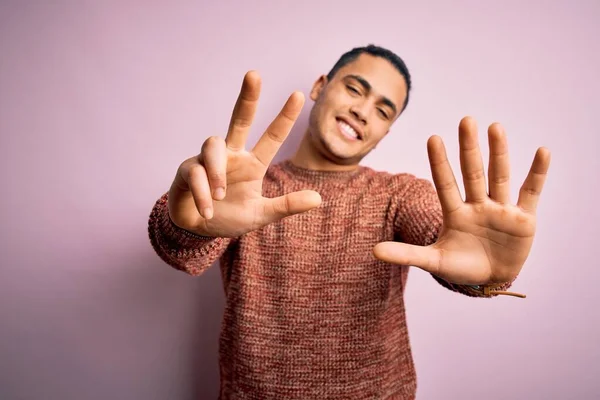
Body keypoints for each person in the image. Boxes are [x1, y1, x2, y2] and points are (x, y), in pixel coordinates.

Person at [147, 44, 550, 399]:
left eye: (382, 110)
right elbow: (183, 254)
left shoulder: (398, 194)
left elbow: (441, 237)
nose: (362, 110)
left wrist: (484, 275)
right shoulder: (246, 188)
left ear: (385, 132)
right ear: (321, 86)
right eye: (355, 89)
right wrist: (186, 223)